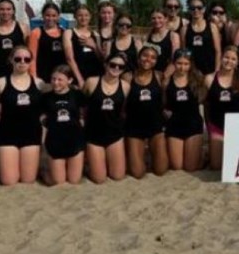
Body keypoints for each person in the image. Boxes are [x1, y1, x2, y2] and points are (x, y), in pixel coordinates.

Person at [0, 45, 44, 185]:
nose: (22, 62)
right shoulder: (0, 82)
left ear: (31, 61)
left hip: (31, 134)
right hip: (6, 134)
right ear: (11, 60)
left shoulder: (39, 84)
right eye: (18, 59)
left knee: (28, 179)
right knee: (9, 181)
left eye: (27, 59)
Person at [83, 52, 130, 183]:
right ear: (105, 65)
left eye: (120, 67)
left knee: (118, 176)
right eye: (113, 64)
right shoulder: (91, 82)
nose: (116, 68)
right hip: (94, 135)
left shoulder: (125, 86)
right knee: (99, 179)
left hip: (114, 134)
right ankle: (89, 162)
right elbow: (82, 104)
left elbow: (124, 111)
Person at [123, 46, 169, 178]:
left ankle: (151, 151)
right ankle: (137, 152)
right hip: (134, 127)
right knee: (138, 173)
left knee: (160, 170)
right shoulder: (127, 77)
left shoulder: (160, 76)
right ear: (138, 58)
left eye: (153, 57)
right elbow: (122, 104)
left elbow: (165, 101)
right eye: (145, 55)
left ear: (156, 61)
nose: (148, 59)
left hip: (155, 126)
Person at [204, 46, 239, 171]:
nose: (229, 61)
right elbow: (205, 106)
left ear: (238, 62)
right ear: (221, 58)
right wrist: (209, 129)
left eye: (233, 59)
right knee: (216, 166)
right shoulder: (209, 79)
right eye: (226, 57)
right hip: (217, 126)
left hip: (237, 128)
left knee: (234, 165)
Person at [163, 49, 206, 171]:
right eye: (179, 63)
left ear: (191, 64)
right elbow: (161, 101)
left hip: (193, 124)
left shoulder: (198, 78)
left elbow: (205, 99)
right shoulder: (167, 79)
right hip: (174, 125)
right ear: (173, 63)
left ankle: (202, 155)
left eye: (186, 64)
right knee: (177, 166)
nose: (182, 67)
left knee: (190, 167)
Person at [41, 65, 85, 186]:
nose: (55, 82)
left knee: (74, 181)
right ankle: (44, 171)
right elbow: (41, 117)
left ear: (69, 80)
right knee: (58, 182)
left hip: (75, 140)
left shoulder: (77, 95)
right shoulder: (46, 98)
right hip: (55, 141)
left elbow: (85, 112)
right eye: (53, 79)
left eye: (60, 79)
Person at [0, 0, 29, 83]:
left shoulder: (23, 27)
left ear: (13, 11)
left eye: (8, 9)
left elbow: (29, 52)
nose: (5, 12)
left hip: (19, 73)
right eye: (2, 9)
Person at [63, 4, 104, 86]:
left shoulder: (96, 34)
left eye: (86, 15)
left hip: (95, 74)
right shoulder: (69, 33)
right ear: (75, 16)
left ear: (90, 17)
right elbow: (69, 59)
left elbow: (101, 58)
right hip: (77, 75)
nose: (83, 18)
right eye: (80, 15)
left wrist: (94, 46)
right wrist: (80, 79)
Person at [181, 0, 221, 76]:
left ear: (204, 9)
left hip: (210, 71)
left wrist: (216, 72)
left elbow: (218, 52)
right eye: (193, 8)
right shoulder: (184, 29)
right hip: (192, 72)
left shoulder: (212, 27)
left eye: (199, 7)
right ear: (189, 10)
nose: (196, 10)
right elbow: (184, 53)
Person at [28, 2, 67, 83]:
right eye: (47, 15)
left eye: (54, 15)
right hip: (43, 76)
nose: (50, 18)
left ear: (58, 16)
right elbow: (32, 58)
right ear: (43, 16)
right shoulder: (36, 33)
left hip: (61, 77)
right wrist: (34, 78)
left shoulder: (65, 33)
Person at [143, 7, 180, 76]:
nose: (156, 21)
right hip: (149, 73)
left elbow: (174, 60)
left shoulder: (173, 36)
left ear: (166, 19)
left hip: (166, 73)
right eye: (153, 18)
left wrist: (164, 76)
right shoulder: (147, 36)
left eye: (160, 18)